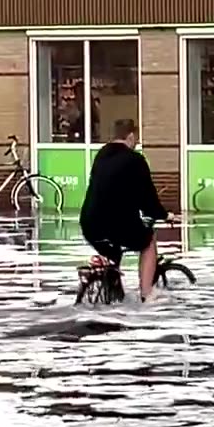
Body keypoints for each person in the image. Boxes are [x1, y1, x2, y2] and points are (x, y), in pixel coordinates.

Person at [80, 118, 173, 302]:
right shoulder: (135, 159)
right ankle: (147, 295)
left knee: (113, 253)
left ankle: (111, 290)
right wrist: (164, 215)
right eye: (136, 139)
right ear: (130, 136)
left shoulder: (101, 155)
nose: (136, 143)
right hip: (115, 223)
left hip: (89, 223)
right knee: (147, 242)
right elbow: (147, 197)